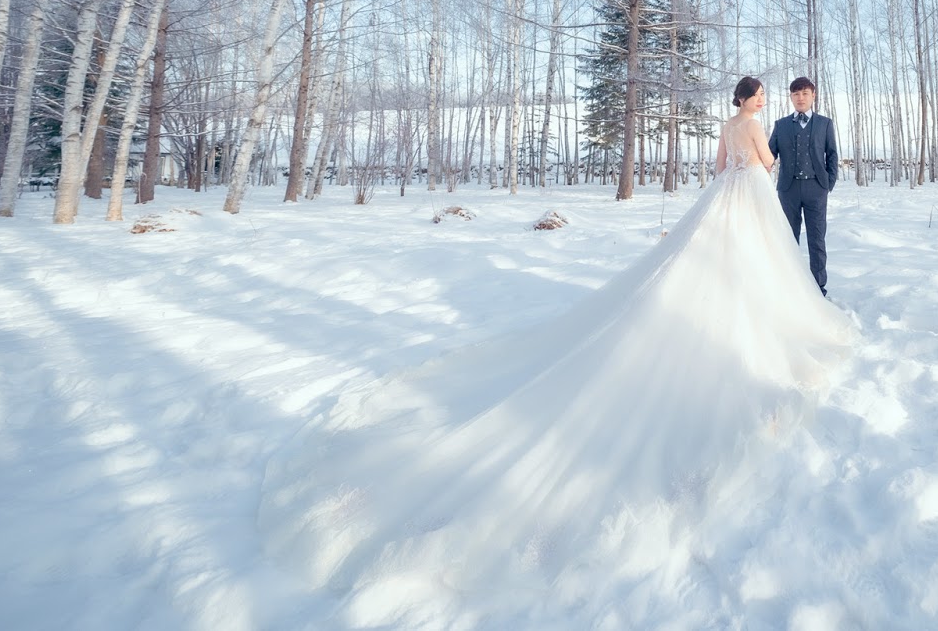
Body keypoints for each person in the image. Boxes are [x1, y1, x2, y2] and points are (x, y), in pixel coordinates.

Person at [259, 77, 855, 591]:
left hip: (722, 200)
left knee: (733, 260)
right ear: (750, 99)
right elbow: (765, 165)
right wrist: (770, 164)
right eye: (762, 95)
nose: (767, 100)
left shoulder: (727, 127)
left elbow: (721, 169)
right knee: (761, 261)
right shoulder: (753, 125)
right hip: (750, 202)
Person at [768, 76, 839, 297]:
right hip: (788, 189)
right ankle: (789, 286)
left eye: (805, 93)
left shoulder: (825, 123)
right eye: (796, 94)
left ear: (813, 96)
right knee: (788, 239)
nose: (801, 98)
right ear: (790, 97)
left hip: (816, 188)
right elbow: (769, 155)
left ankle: (818, 289)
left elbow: (832, 154)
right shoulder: (781, 125)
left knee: (817, 239)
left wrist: (829, 183)